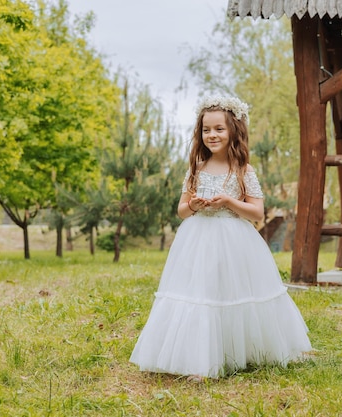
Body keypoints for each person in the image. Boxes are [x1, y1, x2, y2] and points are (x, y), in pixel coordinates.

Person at [129, 95, 312, 380]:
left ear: (233, 132)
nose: (212, 135)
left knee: (231, 291)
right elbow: (181, 210)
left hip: (235, 239)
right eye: (206, 130)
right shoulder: (195, 169)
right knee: (200, 292)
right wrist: (194, 205)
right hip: (197, 237)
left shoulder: (243, 170)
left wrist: (228, 201)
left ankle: (240, 348)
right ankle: (198, 358)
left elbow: (257, 212)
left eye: (219, 129)